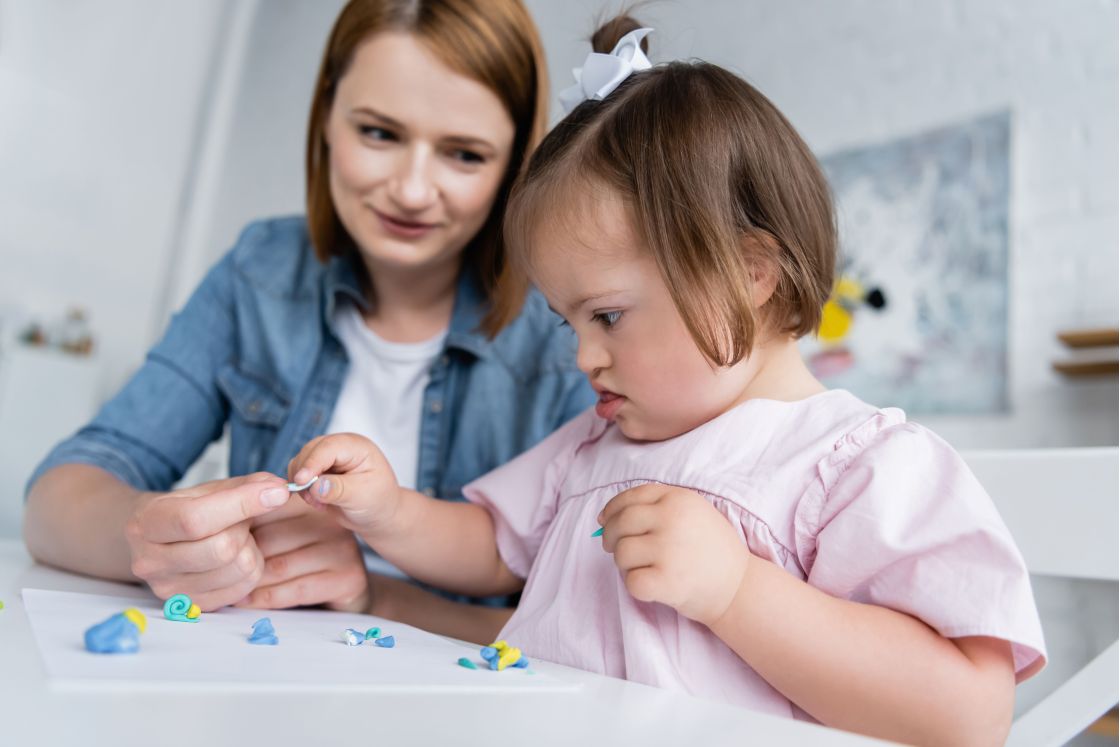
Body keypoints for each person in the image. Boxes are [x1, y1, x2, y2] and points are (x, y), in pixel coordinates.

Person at [282, 17, 1047, 745]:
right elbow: (490, 545)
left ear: (746, 273)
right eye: (567, 321)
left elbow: (968, 717)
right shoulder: (596, 443)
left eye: (607, 315)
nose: (583, 355)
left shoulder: (861, 464)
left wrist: (736, 591)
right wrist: (387, 511)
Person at [23, 0, 592, 644]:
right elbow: (55, 500)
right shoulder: (259, 273)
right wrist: (149, 531)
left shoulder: (570, 334)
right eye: (379, 133)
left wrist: (371, 597)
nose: (410, 189)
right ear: (326, 117)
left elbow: (589, 632)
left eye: (463, 154)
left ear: (515, 164)